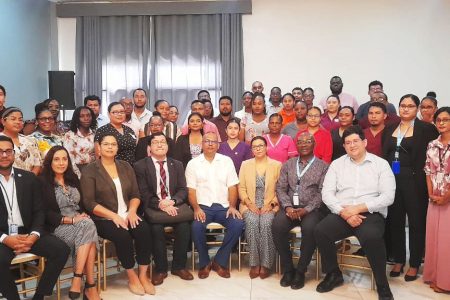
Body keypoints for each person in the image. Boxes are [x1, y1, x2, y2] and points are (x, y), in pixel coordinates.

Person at [315, 126, 395, 300]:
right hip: (342, 212)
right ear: (343, 146)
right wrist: (344, 212)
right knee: (320, 231)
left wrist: (357, 208)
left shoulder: (380, 164)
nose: (352, 145)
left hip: (370, 213)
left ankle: (382, 284)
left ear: (364, 142)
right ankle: (333, 274)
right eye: (348, 143)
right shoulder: (337, 164)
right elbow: (327, 194)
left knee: (372, 237)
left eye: (355, 141)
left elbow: (388, 196)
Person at [81, 134, 154, 295]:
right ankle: (132, 276)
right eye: (106, 144)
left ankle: (143, 275)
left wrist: (133, 211)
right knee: (123, 236)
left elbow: (136, 193)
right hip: (104, 218)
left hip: (128, 213)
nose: (110, 147)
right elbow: (89, 202)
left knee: (144, 230)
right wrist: (114, 216)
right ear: (98, 147)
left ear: (117, 147)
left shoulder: (126, 166)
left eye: (113, 144)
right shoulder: (90, 170)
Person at [0, 135, 70, 300]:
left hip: (28, 232)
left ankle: (39, 296)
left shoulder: (28, 178)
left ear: (14, 154)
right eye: (0, 151)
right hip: (3, 236)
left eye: (8, 151)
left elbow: (39, 211)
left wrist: (34, 236)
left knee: (61, 250)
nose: (4, 155)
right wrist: (5, 238)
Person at [382, 94, 439, 281]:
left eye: (410, 106)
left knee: (416, 223)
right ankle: (398, 259)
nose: (405, 109)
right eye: (402, 105)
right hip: (393, 180)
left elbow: (433, 156)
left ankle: (414, 263)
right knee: (395, 222)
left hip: (416, 181)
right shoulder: (390, 128)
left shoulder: (427, 129)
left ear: (417, 109)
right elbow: (385, 154)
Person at [40, 146, 101, 300]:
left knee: (87, 225)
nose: (61, 163)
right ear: (50, 162)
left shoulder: (73, 178)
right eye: (57, 159)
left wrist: (83, 214)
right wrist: (71, 220)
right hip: (58, 226)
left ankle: (80, 280)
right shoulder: (42, 182)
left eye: (64, 159)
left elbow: (81, 205)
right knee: (89, 231)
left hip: (79, 222)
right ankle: (88, 285)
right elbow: (44, 213)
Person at [134, 133, 194, 286]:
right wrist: (160, 204)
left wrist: (173, 201)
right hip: (153, 207)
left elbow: (182, 189)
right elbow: (144, 192)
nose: (160, 145)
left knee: (184, 226)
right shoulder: (140, 165)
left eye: (163, 142)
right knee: (155, 228)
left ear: (167, 146)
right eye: (155, 142)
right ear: (149, 147)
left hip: (174, 205)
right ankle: (160, 269)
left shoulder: (177, 164)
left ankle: (179, 267)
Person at [273, 132, 329, 289]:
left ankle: (301, 271)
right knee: (277, 226)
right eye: (300, 142)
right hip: (290, 208)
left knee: (310, 228)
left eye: (308, 141)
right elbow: (281, 188)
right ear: (296, 145)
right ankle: (289, 269)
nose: (304, 144)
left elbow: (322, 192)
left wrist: (307, 209)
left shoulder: (323, 166)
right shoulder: (288, 164)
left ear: (314, 144)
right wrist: (288, 206)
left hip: (312, 210)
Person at [186, 132, 244, 279]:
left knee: (237, 224)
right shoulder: (193, 164)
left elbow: (232, 187)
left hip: (224, 206)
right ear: (201, 144)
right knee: (196, 227)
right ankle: (204, 263)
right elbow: (191, 190)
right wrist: (196, 208)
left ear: (218, 145)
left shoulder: (226, 161)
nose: (210, 144)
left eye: (213, 141)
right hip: (203, 207)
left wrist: (232, 206)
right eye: (207, 141)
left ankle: (220, 261)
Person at [238, 136, 281, 279]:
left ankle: (266, 264)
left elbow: (280, 189)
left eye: (261, 145)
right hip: (249, 203)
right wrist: (249, 204)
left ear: (266, 147)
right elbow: (241, 188)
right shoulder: (245, 164)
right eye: (255, 146)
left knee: (266, 223)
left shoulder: (276, 165)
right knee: (252, 222)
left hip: (269, 204)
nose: (258, 148)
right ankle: (254, 263)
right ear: (251, 150)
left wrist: (272, 204)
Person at [423, 107, 450, 293]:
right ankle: (435, 275)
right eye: (438, 119)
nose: (441, 123)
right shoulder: (432, 144)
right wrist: (431, 193)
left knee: (447, 240)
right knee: (433, 238)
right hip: (435, 197)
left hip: (448, 197)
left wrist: (446, 196)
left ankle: (446, 282)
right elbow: (428, 170)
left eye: (446, 119)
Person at [0, 107, 41, 175]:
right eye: (13, 119)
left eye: (20, 120)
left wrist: (29, 179)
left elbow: (37, 164)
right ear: (3, 121)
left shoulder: (31, 140)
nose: (17, 122)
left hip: (30, 182)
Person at [63, 106, 97, 173]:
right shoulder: (70, 136)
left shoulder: (95, 134)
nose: (86, 118)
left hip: (94, 171)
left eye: (88, 115)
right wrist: (79, 176)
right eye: (82, 116)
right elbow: (70, 159)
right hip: (77, 171)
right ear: (77, 118)